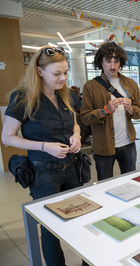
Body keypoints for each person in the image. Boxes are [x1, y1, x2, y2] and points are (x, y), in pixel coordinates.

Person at [1, 46, 83, 265]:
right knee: (50, 229)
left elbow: (75, 124)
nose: (63, 78)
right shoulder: (23, 98)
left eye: (65, 72)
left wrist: (77, 136)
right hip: (44, 175)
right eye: (57, 74)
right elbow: (7, 137)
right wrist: (45, 146)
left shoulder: (67, 95)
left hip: (72, 170)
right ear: (39, 71)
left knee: (82, 218)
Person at [80, 41, 140, 181]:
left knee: (130, 180)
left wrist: (131, 108)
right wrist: (104, 110)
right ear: (100, 62)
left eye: (116, 61)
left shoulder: (131, 84)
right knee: (105, 183)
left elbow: (139, 112)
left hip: (128, 144)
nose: (112, 66)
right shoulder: (90, 86)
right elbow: (84, 118)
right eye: (108, 61)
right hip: (103, 146)